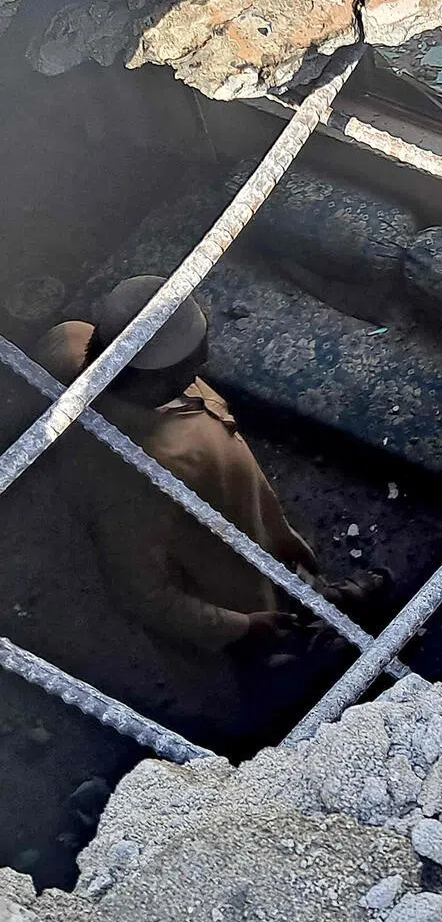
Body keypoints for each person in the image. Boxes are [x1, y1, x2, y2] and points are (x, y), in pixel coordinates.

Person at [35, 276, 386, 751]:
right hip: (220, 575)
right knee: (268, 636)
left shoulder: (73, 339)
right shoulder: (134, 480)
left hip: (244, 518)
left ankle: (315, 602)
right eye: (191, 362)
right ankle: (288, 689)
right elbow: (144, 594)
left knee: (284, 572)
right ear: (151, 376)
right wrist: (240, 628)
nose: (203, 365)